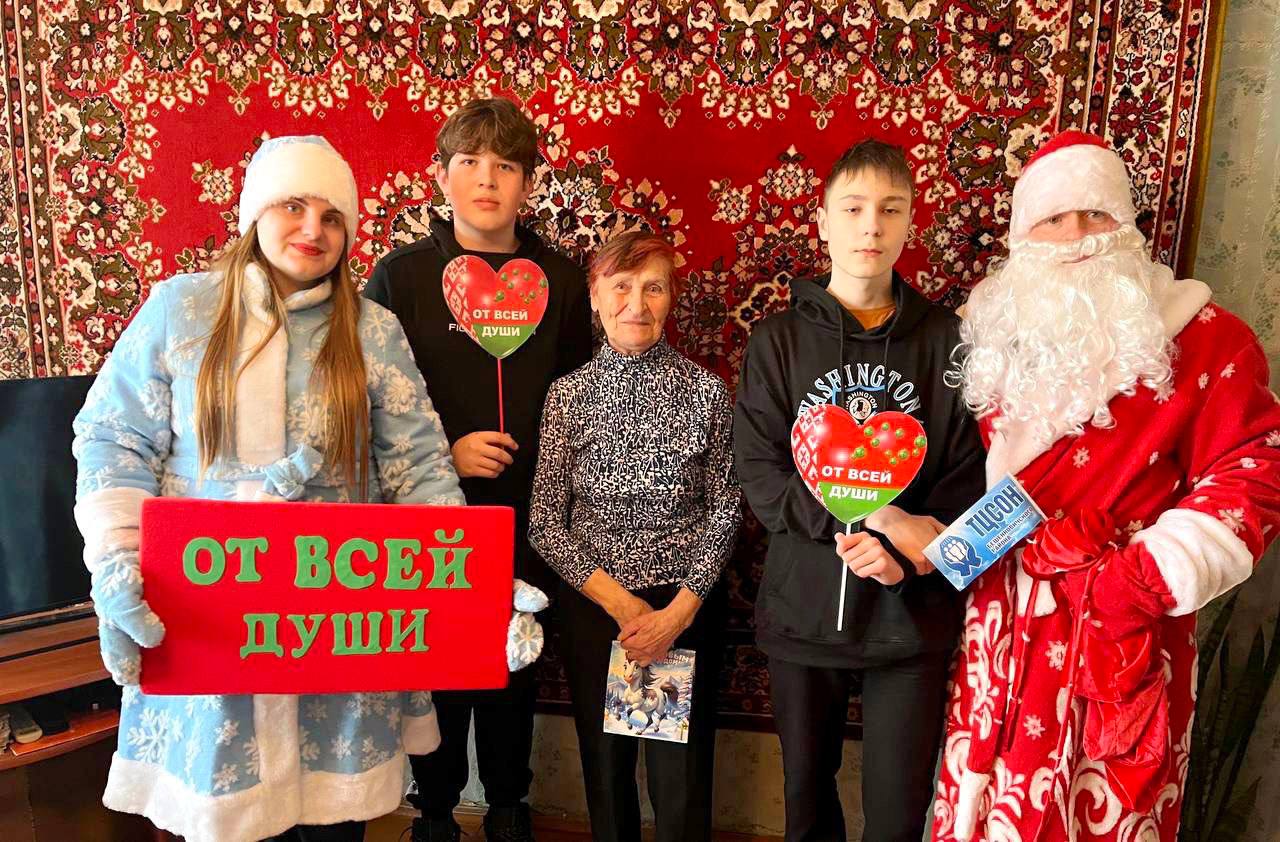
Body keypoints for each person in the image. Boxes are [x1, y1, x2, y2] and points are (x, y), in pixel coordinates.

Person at [72, 136, 472, 842]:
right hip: (207, 622)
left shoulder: (372, 330)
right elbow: (113, 439)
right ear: (256, 211)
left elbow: (418, 466)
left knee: (336, 829)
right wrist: (117, 558)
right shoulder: (179, 311)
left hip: (338, 635)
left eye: (332, 216)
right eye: (293, 205)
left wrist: (469, 585)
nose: (313, 229)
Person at [932, 131, 1280, 842]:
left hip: (1121, 619)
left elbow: (1255, 465)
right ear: (1021, 237)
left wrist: (1144, 577)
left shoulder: (1209, 338)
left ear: (1128, 225)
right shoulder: (990, 336)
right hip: (999, 618)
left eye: (1096, 214)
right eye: (1053, 219)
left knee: (1108, 810)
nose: (1077, 237)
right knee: (987, 801)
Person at [733, 139, 987, 842]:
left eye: (889, 209)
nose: (871, 226)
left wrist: (904, 550)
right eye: (852, 209)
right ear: (822, 222)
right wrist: (874, 519)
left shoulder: (950, 342)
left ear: (910, 223)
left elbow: (968, 475)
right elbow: (761, 475)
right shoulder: (777, 342)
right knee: (806, 806)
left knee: (898, 815)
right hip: (803, 613)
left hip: (909, 619)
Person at [363, 97, 592, 842]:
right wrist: (448, 451)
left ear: (529, 182)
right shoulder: (398, 280)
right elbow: (365, 400)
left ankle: (508, 805)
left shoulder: (562, 280)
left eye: (506, 166)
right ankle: (433, 811)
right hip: (430, 513)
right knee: (437, 666)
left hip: (528, 515)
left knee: (511, 666)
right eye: (470, 163)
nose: (487, 180)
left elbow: (580, 392)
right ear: (442, 176)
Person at [528, 232, 742, 842]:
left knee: (680, 784)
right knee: (606, 771)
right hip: (599, 607)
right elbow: (546, 520)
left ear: (672, 297)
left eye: (654, 287)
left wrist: (675, 615)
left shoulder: (706, 392)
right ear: (595, 294)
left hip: (683, 605)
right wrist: (625, 607)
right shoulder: (567, 395)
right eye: (621, 286)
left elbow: (725, 508)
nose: (637, 304)